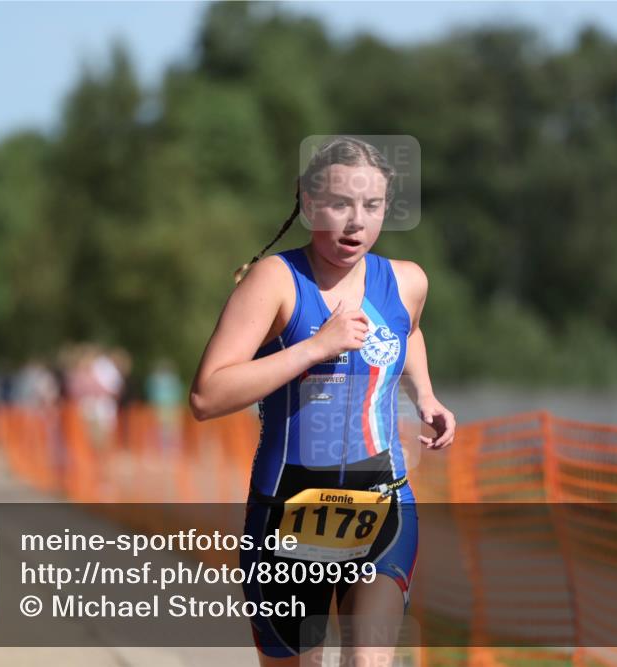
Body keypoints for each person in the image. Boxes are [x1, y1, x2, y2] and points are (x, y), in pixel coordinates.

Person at [190, 136, 455, 666]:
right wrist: (316, 346)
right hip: (286, 514)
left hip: (382, 504)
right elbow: (207, 394)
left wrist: (424, 393)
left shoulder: (406, 281)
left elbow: (410, 332)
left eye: (371, 206)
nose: (355, 222)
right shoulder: (275, 281)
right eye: (339, 204)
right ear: (308, 203)